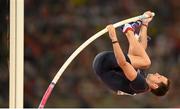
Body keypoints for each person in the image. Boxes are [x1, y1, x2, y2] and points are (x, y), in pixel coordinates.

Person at [92, 11, 170, 96]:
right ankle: (137, 27)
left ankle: (129, 30)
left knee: (147, 62)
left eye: (159, 77)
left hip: (104, 65)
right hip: (107, 63)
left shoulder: (141, 85)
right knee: (142, 54)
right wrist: (145, 24)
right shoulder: (143, 79)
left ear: (155, 85)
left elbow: (123, 63)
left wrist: (114, 39)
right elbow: (139, 50)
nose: (157, 74)